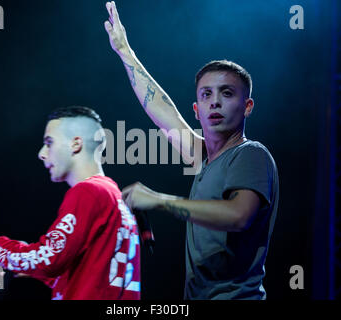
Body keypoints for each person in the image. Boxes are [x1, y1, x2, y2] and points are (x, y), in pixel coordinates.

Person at [104, 1, 279, 300]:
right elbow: (161, 109)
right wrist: (125, 51)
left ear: (247, 106)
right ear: (197, 110)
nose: (215, 102)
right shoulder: (204, 159)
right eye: (207, 95)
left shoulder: (252, 155)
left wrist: (159, 200)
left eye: (227, 93)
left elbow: (239, 215)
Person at [0, 106, 141, 300]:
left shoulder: (88, 192)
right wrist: (31, 266)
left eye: (49, 143)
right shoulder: (112, 194)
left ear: (75, 144)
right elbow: (96, 276)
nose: (41, 153)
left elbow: (48, 260)